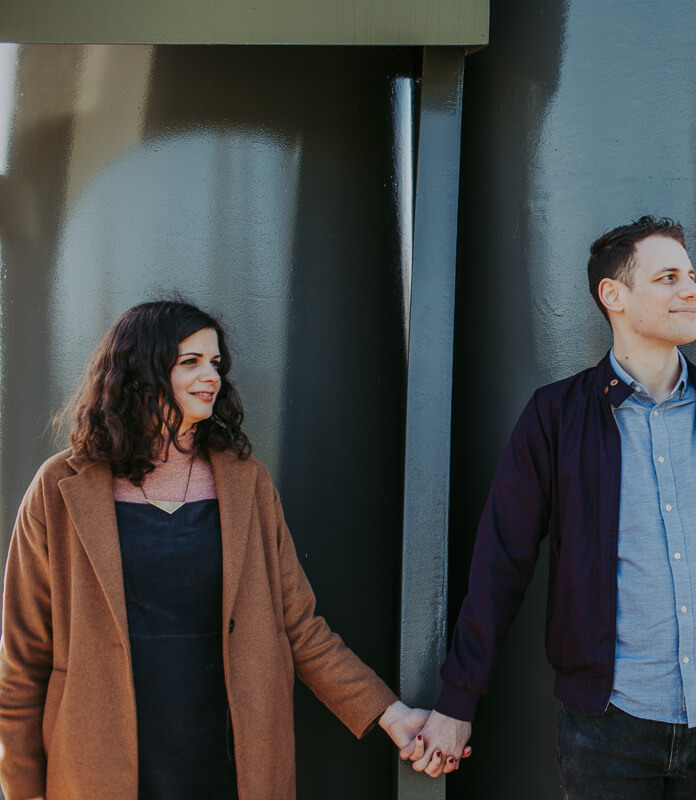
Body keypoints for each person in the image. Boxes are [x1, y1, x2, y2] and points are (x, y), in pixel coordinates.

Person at [410, 216, 696, 796]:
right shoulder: (555, 416)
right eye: (668, 278)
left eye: (691, 276)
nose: (692, 290)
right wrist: (456, 701)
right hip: (607, 727)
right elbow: (500, 566)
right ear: (613, 295)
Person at [0, 299, 438, 800]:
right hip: (97, 761)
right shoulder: (60, 487)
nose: (211, 376)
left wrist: (388, 712)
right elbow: (22, 658)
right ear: (139, 370)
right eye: (191, 362)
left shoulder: (247, 482)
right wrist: (23, 789)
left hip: (230, 760)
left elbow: (301, 627)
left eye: (215, 363)